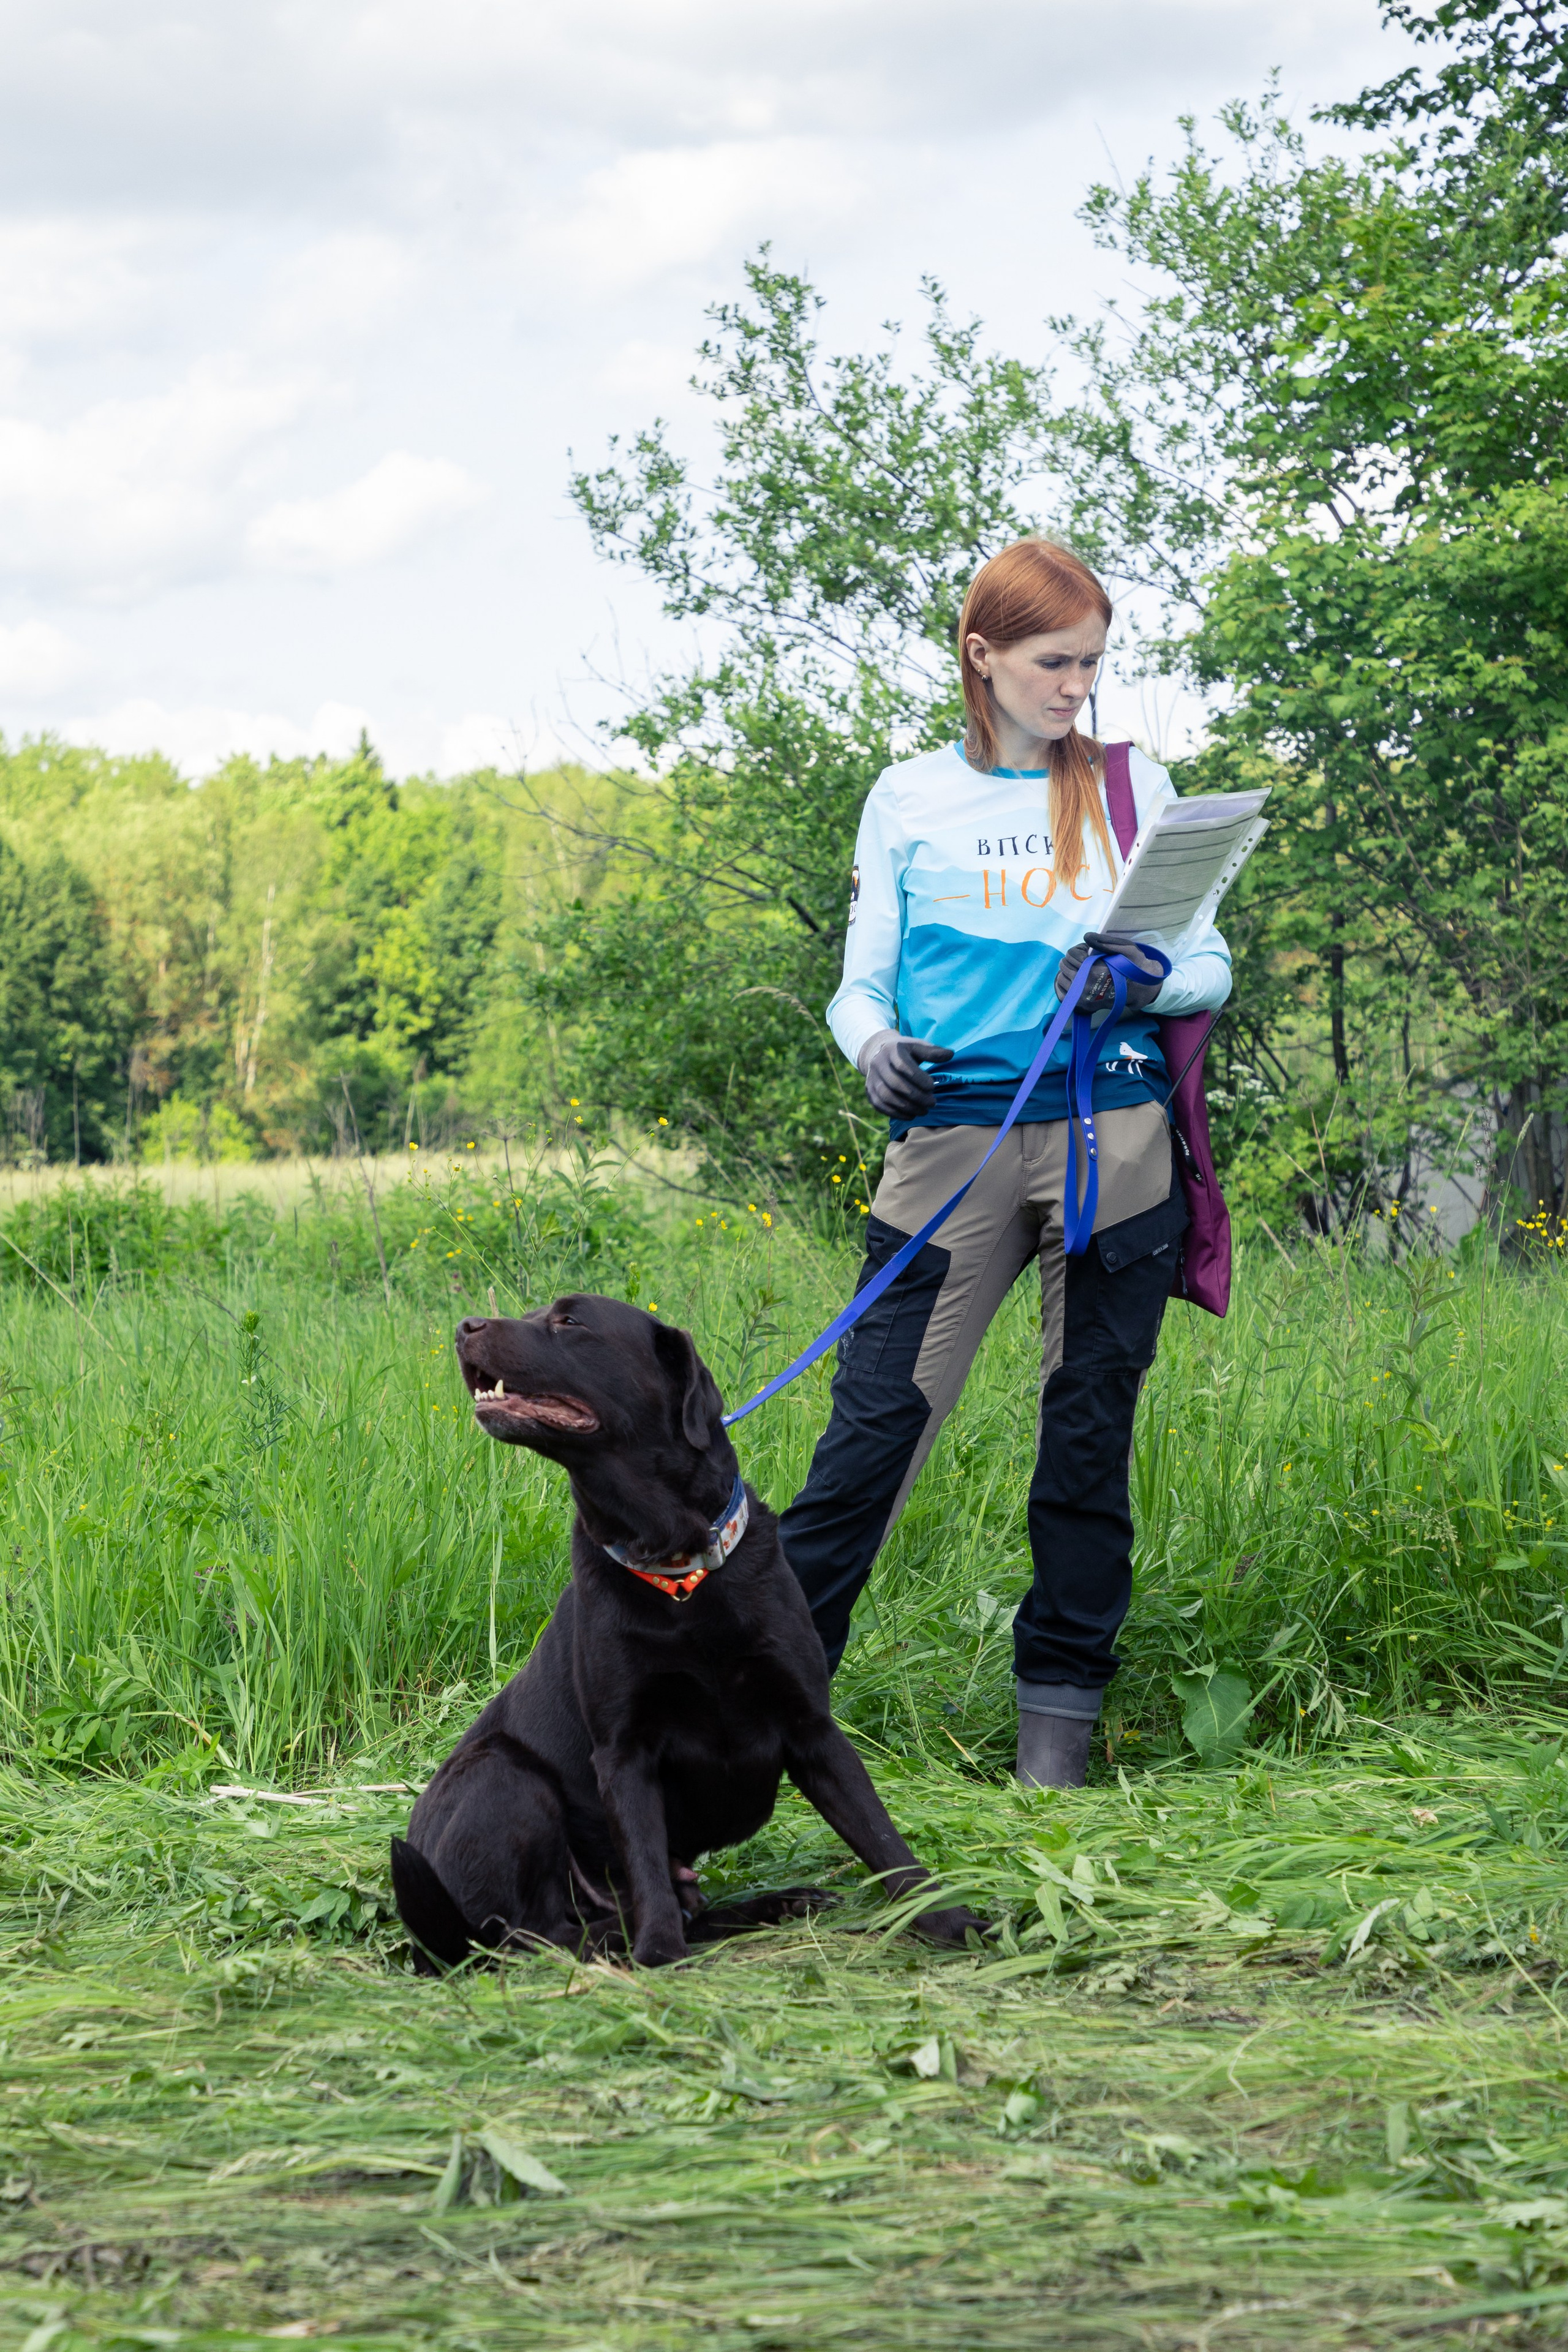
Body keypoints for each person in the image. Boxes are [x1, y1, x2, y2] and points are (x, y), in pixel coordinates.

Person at [777, 538, 1232, 1789]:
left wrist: (1149, 975)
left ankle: (1055, 1756)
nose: (1077, 685)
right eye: (1052, 661)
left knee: (1085, 1437)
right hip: (951, 1142)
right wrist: (868, 1046)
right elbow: (858, 980)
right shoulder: (907, 797)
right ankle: (758, 1723)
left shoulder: (1134, 788)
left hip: (1115, 1140)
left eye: (1090, 660)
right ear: (981, 656)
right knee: (871, 1434)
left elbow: (1207, 962)